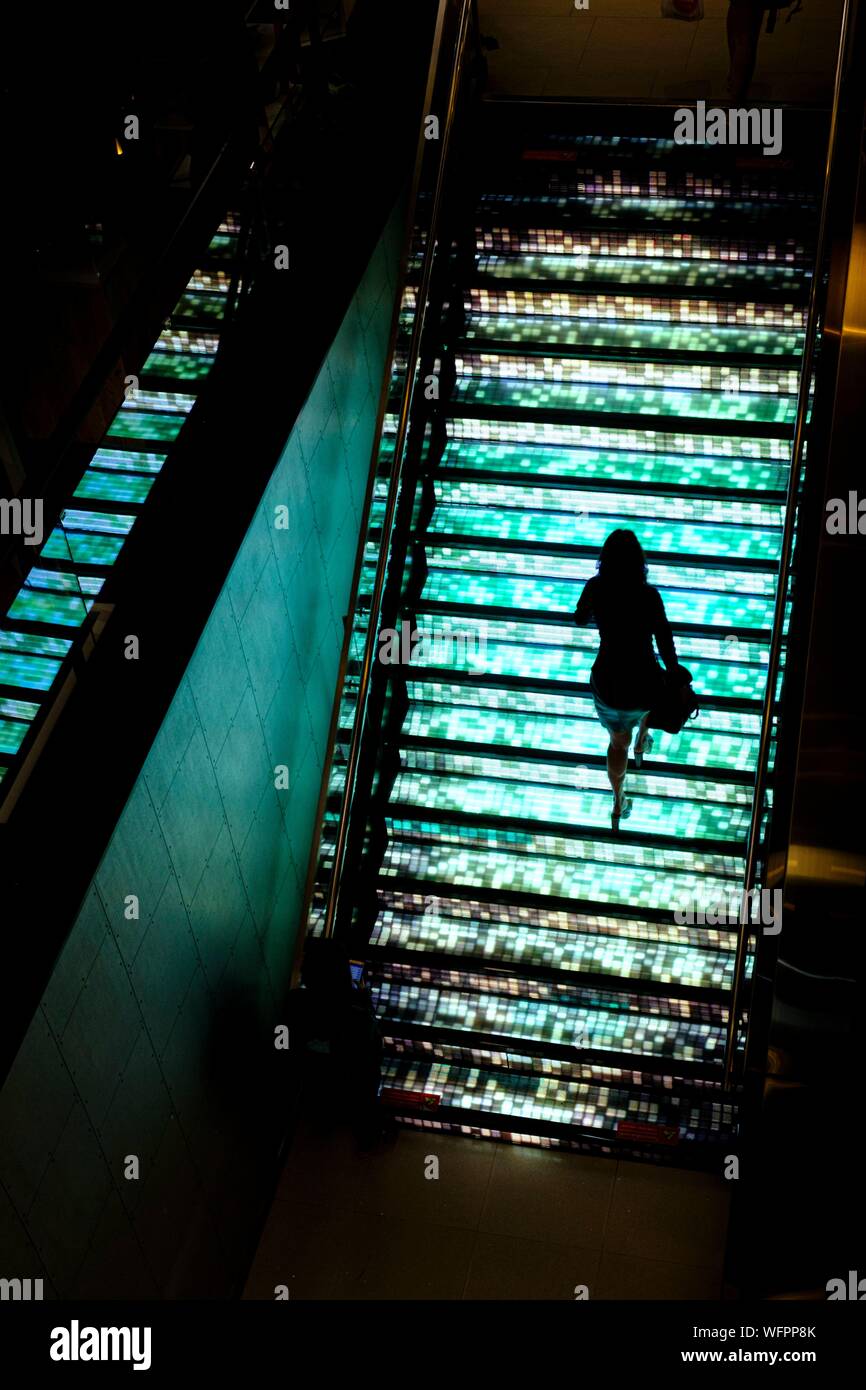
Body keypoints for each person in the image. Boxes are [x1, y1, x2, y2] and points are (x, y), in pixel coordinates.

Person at [574, 530, 678, 831]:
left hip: (608, 681)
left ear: (604, 560)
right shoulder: (649, 595)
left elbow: (579, 618)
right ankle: (643, 742)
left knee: (616, 742)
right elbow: (664, 639)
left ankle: (619, 801)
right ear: (638, 562)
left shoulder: (595, 587)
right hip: (644, 679)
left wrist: (591, 607)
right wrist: (674, 671)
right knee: (648, 703)